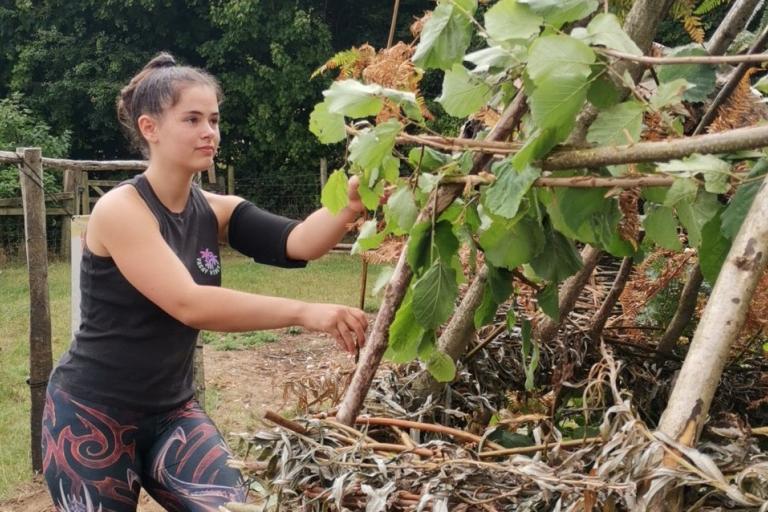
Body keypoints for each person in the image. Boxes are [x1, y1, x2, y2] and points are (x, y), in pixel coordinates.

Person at [41, 52, 368, 511]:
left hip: (174, 412)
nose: (209, 131)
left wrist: (350, 207)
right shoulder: (121, 209)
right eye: (192, 119)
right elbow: (189, 303)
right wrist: (306, 311)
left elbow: (299, 241)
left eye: (213, 119)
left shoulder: (216, 209)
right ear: (150, 127)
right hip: (92, 414)